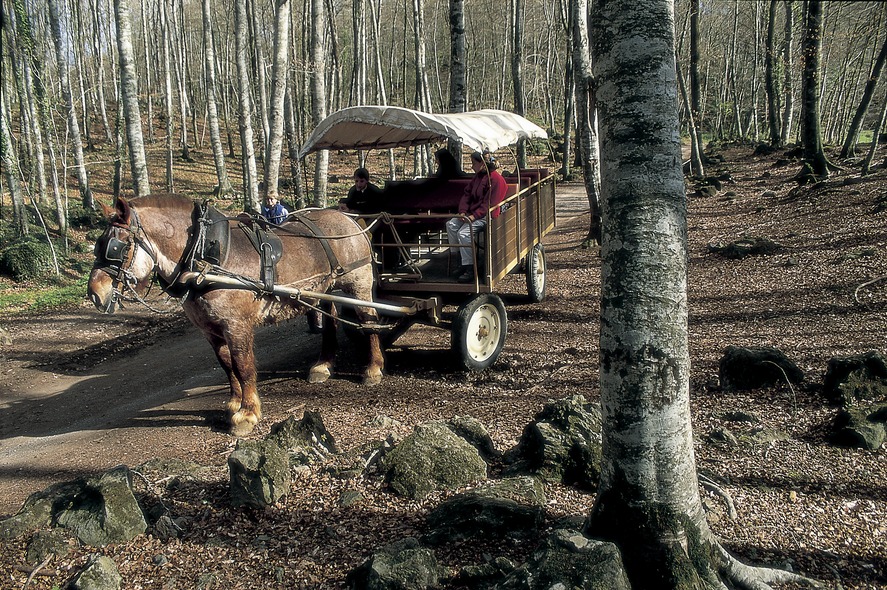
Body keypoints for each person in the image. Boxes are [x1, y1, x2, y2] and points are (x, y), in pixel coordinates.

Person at [446, 150, 507, 282]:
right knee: (450, 225)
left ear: (482, 164)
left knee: (463, 233)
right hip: (471, 213)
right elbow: (467, 195)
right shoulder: (478, 177)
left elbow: (490, 203)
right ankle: (458, 259)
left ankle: (469, 267)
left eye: (474, 163)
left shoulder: (496, 180)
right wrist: (462, 211)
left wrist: (473, 217)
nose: (472, 166)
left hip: (486, 215)